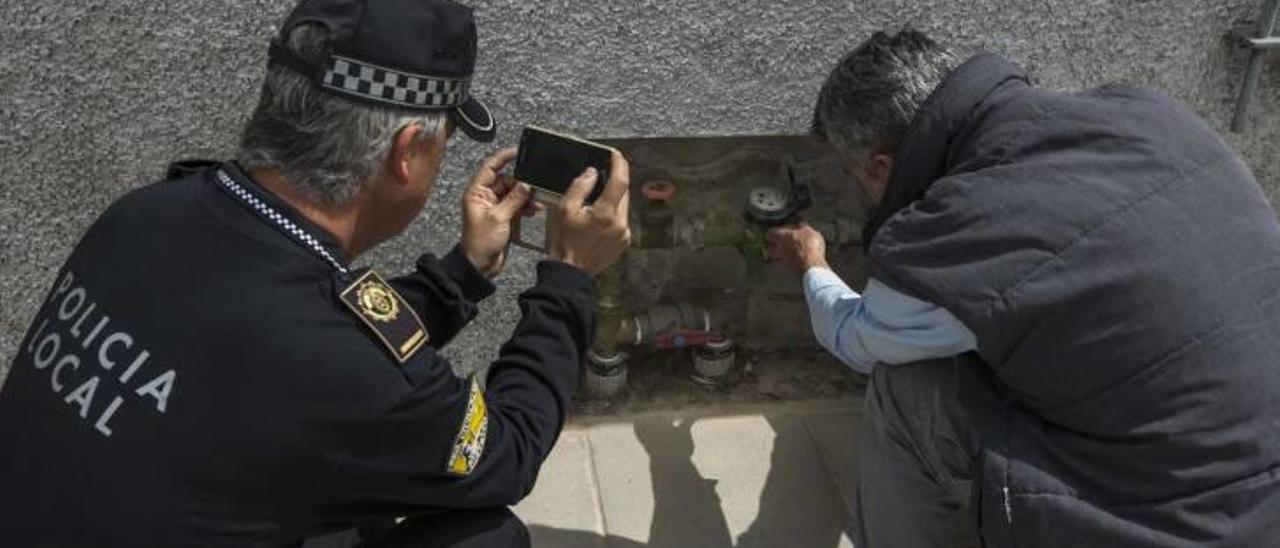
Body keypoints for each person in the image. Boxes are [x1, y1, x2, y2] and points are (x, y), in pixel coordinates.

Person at [0, 1, 631, 546]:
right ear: (407, 152)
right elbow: (509, 451)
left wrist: (463, 274)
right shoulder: (333, 369)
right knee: (487, 536)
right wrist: (568, 276)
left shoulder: (145, 215)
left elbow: (309, 351)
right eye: (442, 140)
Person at [767, 29, 1280, 547]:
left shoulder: (964, 228)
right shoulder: (1144, 113)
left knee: (912, 388)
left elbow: (859, 339)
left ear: (882, 167)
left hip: (1175, 523)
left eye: (856, 175)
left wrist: (813, 265)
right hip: (1263, 482)